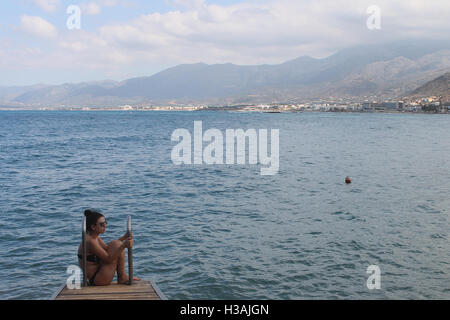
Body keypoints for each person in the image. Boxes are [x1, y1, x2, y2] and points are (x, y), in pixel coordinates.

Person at [77, 209, 140, 286]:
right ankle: (122, 277)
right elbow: (108, 259)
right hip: (97, 279)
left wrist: (124, 237)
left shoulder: (95, 237)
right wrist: (124, 246)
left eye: (105, 223)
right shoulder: (90, 241)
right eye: (102, 224)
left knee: (115, 243)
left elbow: (107, 249)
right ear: (93, 227)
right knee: (117, 245)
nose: (105, 226)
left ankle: (122, 277)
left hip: (99, 273)